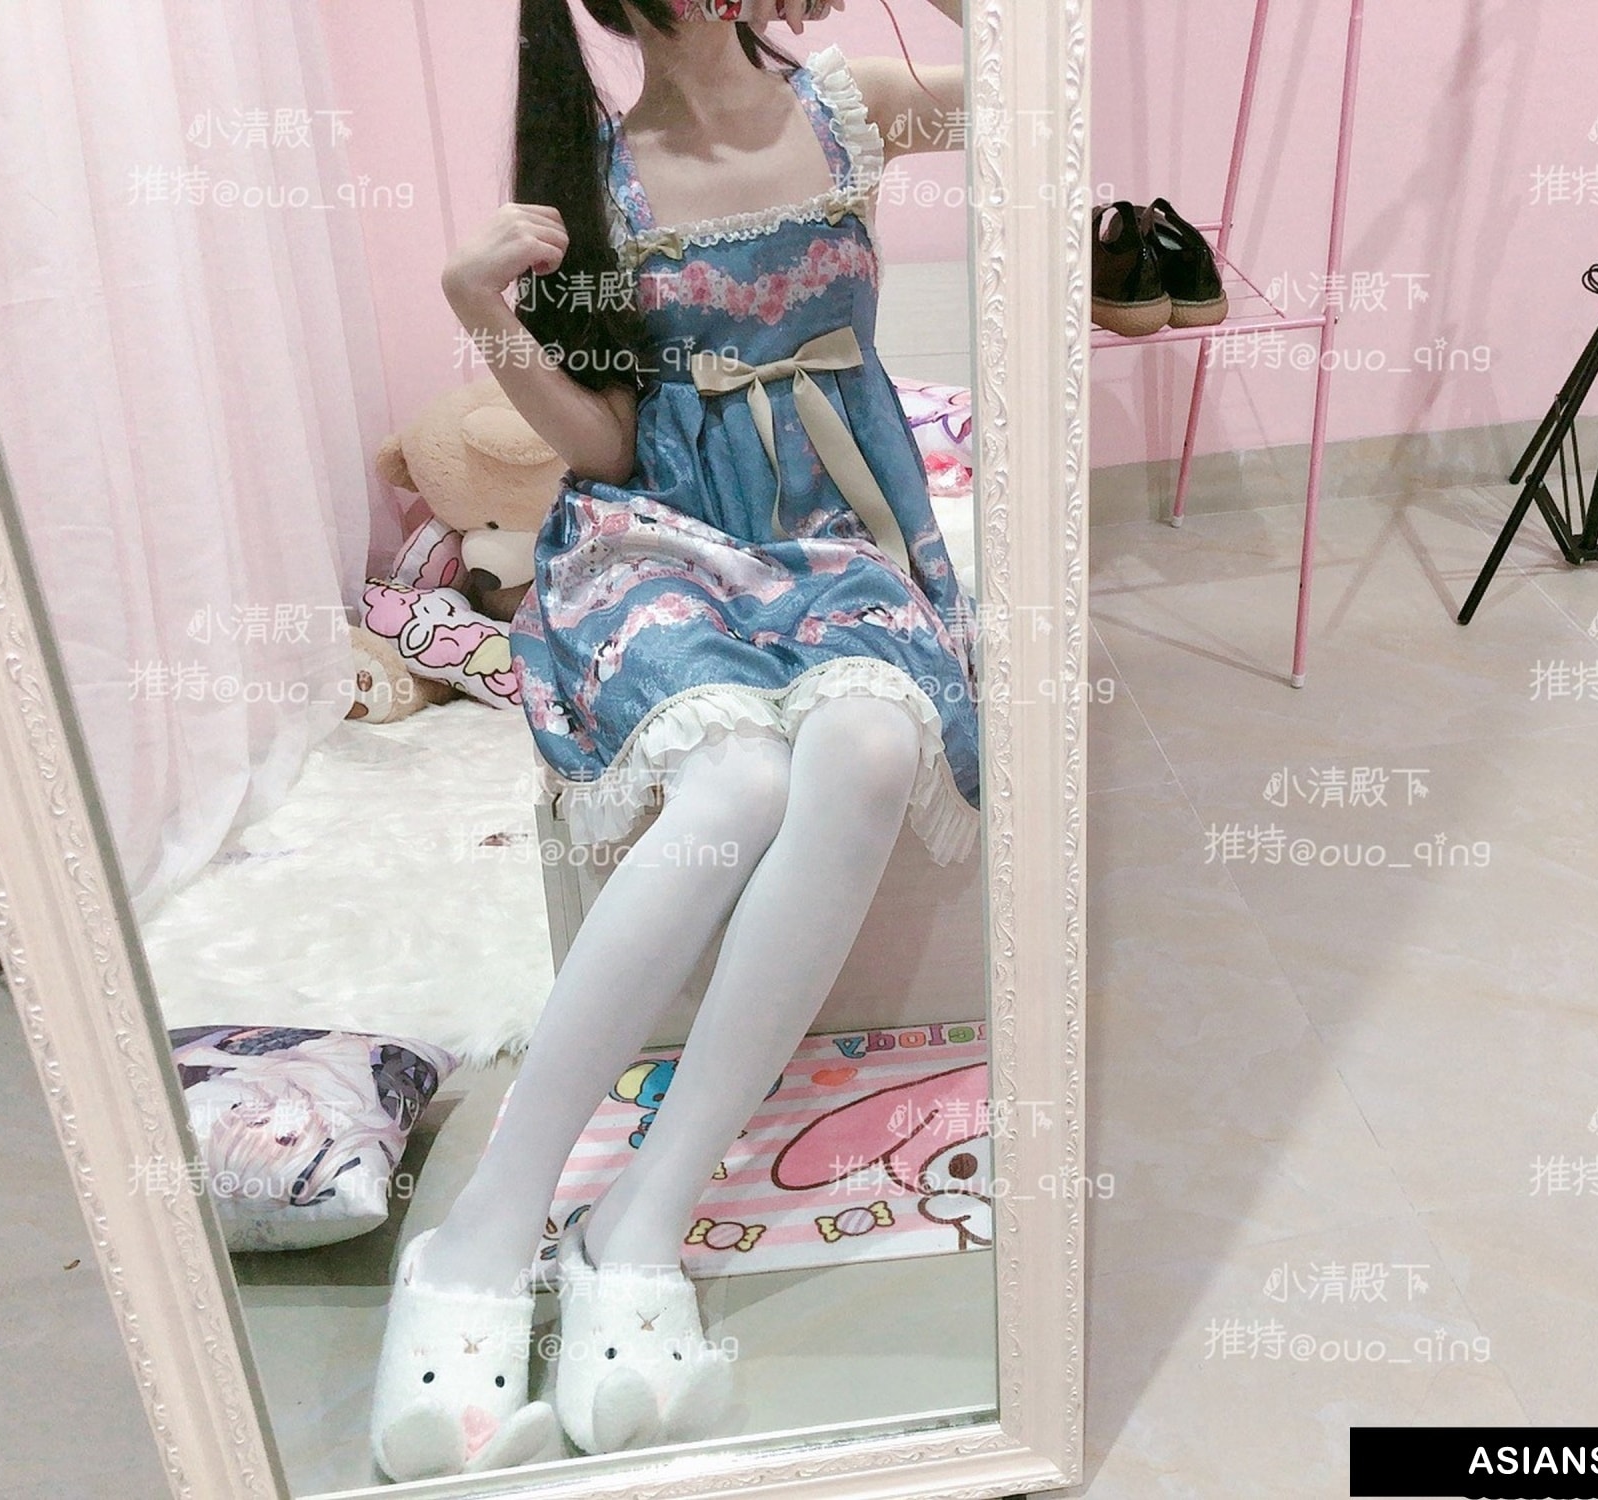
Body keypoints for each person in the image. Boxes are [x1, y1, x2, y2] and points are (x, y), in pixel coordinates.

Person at [366, 0, 974, 1482]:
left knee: (869, 750)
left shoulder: (854, 101)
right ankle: (484, 1232)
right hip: (659, 535)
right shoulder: (596, 180)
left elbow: (1051, 87)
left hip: (837, 523)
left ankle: (638, 1223)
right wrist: (483, 314)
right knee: (738, 775)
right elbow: (608, 448)